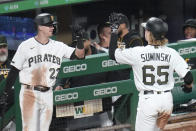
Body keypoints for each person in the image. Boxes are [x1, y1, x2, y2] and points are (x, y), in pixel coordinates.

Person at [2, 13, 85, 131]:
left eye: (52, 25)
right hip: (29, 93)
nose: (52, 27)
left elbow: (80, 55)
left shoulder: (58, 46)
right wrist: (5, 93)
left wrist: (79, 39)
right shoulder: (26, 46)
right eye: (49, 25)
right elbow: (14, 71)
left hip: (48, 93)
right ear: (40, 27)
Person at [109, 17, 193, 131]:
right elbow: (188, 77)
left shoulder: (137, 52)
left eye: (146, 30)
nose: (145, 32)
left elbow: (112, 54)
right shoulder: (172, 53)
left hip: (148, 101)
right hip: (167, 101)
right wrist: (188, 88)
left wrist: (114, 30)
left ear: (149, 34)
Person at [109, 12, 143, 80]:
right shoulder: (115, 38)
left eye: (116, 24)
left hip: (130, 80)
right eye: (112, 25)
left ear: (123, 25)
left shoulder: (134, 39)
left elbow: (137, 61)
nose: (113, 27)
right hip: (116, 79)